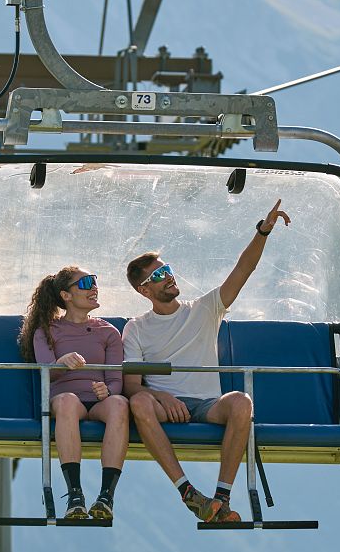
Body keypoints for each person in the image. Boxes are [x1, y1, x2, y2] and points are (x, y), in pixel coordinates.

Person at [123, 199, 292, 523]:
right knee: (141, 404)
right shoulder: (137, 329)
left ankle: (221, 498)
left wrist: (263, 231)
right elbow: (131, 387)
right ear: (145, 290)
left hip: (206, 405)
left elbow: (244, 270)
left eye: (168, 269)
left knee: (241, 402)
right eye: (159, 275)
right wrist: (163, 396)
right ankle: (188, 493)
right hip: (164, 406)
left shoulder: (204, 309)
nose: (169, 277)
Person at [19, 265, 129, 520]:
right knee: (68, 401)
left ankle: (106, 496)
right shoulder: (46, 331)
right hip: (66, 400)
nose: (93, 287)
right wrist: (60, 363)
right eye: (85, 283)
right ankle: (75, 494)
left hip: (98, 403)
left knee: (120, 404)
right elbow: (46, 374)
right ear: (66, 295)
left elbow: (115, 379)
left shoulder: (109, 332)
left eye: (94, 281)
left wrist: (108, 391)